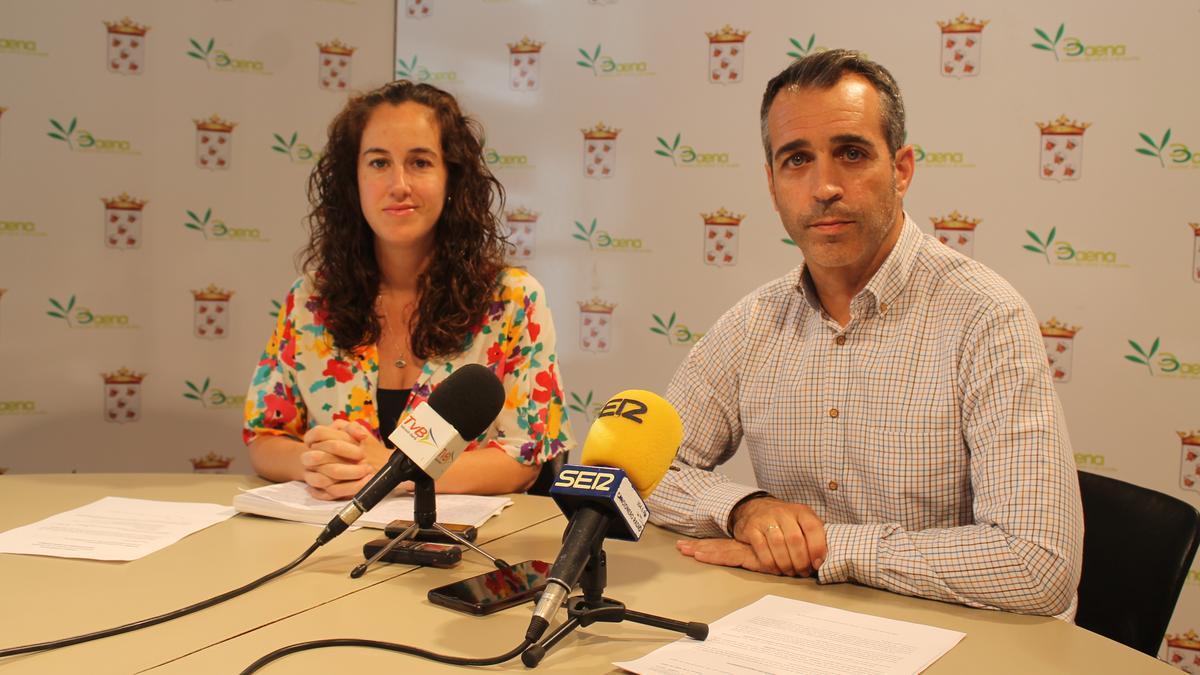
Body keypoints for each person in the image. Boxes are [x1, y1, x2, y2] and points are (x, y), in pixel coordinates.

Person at [645, 50, 1083, 618]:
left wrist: (824, 548)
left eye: (850, 154)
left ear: (901, 170)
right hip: (802, 626)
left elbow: (1036, 564)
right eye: (796, 160)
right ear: (772, 183)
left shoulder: (985, 317)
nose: (824, 186)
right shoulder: (753, 323)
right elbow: (647, 471)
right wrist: (744, 509)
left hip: (963, 638)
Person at [243, 81, 572, 499]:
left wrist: (392, 473)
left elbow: (524, 460)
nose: (399, 184)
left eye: (420, 162)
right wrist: (315, 464)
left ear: (452, 177)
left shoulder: (512, 300)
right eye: (379, 163)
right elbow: (266, 437)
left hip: (466, 553)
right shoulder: (311, 299)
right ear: (353, 180)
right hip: (334, 551)